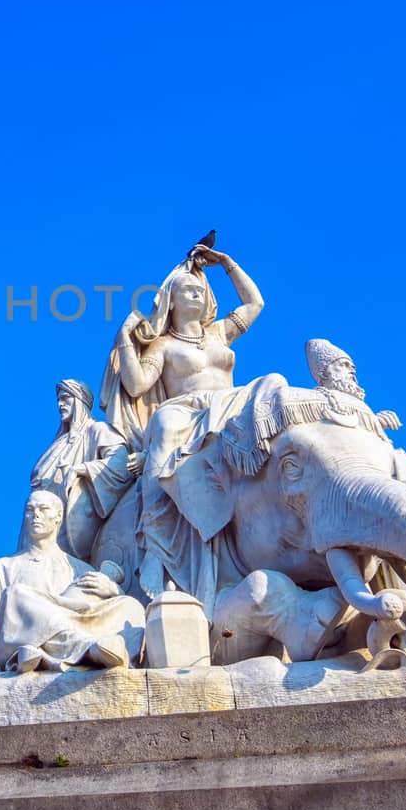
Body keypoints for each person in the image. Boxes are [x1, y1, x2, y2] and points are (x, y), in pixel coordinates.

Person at [101, 244, 263, 604]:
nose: (197, 293)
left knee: (274, 396)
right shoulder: (162, 346)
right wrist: (126, 341)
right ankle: (157, 549)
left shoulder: (220, 333)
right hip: (185, 410)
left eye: (200, 290)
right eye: (187, 289)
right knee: (165, 429)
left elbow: (255, 304)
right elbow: (136, 385)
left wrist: (227, 263)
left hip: (229, 405)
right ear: (170, 301)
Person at [0, 490, 146, 675]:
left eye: (43, 509)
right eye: (30, 510)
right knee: (15, 595)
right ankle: (84, 648)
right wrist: (27, 610)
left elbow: (93, 610)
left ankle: (53, 653)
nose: (36, 515)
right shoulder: (3, 566)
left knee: (132, 605)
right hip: (22, 635)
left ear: (58, 517)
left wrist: (113, 590)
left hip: (78, 624)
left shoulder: (80, 569)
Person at [28, 380, 133, 561]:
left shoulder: (97, 430)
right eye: (59, 400)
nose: (60, 404)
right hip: (38, 519)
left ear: (79, 400)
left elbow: (120, 463)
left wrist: (82, 469)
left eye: (66, 398)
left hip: (68, 518)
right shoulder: (58, 443)